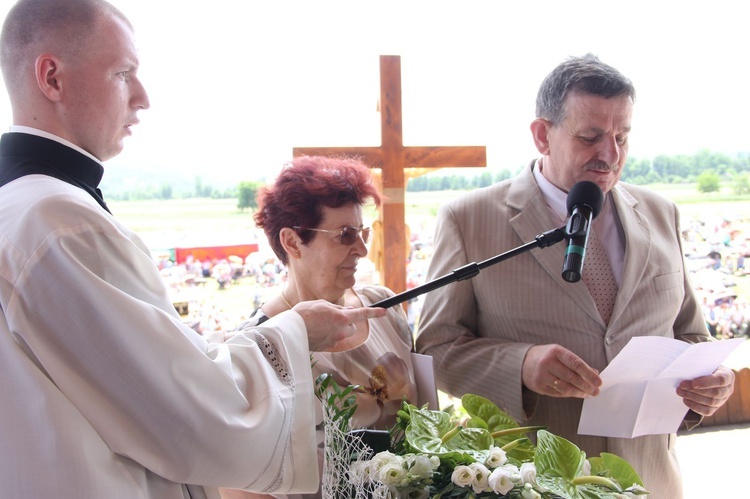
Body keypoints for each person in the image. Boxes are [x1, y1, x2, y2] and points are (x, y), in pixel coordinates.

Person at [0, 1, 385, 498]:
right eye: (123, 74)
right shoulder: (58, 223)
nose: (142, 97)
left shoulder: (21, 205)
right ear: (52, 77)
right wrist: (294, 331)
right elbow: (181, 411)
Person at [415, 53, 735, 499]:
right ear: (542, 135)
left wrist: (714, 384)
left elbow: (692, 337)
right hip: (531, 483)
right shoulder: (468, 220)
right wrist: (520, 365)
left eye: (623, 136)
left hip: (651, 482)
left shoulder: (663, 213)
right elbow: (434, 349)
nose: (611, 155)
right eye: (590, 137)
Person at [219, 155, 419, 499]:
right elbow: (240, 486)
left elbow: (427, 423)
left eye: (363, 231)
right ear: (292, 242)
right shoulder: (253, 347)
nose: (362, 248)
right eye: (345, 235)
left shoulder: (383, 305)